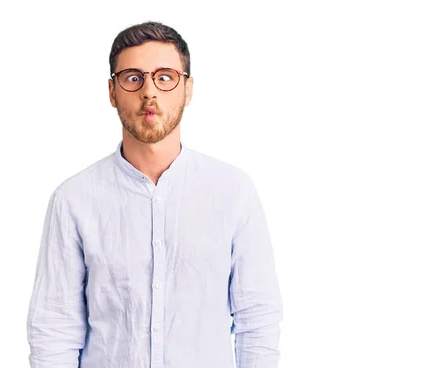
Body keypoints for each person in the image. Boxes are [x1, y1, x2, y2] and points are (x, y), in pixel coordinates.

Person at [26, 21, 283, 368]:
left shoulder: (232, 192)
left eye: (165, 77)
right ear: (112, 91)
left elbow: (258, 322)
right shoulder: (74, 200)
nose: (149, 92)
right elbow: (54, 329)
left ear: (188, 89)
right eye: (133, 78)